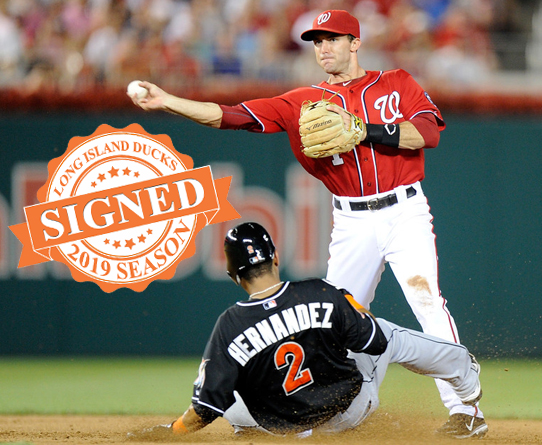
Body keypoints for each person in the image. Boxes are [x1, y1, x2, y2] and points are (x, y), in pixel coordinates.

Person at [129, 9, 486, 436]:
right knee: (332, 320)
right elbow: (230, 115)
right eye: (317, 41)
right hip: (351, 219)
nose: (324, 48)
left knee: (426, 300)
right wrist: (167, 100)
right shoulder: (301, 101)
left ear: (355, 43)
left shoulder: (396, 83)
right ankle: (336, 408)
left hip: (403, 210)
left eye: (333, 39)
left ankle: (465, 411)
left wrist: (362, 129)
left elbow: (427, 133)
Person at [127, 222, 486, 440]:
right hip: (347, 413)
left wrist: (173, 432)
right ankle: (464, 379)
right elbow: (372, 342)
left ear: (234, 277)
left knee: (230, 385)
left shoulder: (230, 325)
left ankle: (250, 435)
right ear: (276, 258)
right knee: (384, 332)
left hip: (280, 427)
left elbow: (205, 409)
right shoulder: (321, 292)